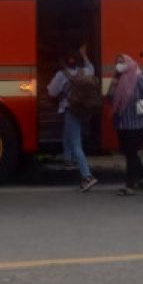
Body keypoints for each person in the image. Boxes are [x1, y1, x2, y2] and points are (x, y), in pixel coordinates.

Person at [106, 53, 143, 196]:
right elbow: (110, 99)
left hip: (137, 123)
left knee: (130, 152)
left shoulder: (139, 78)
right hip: (121, 123)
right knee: (128, 152)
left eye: (122, 62)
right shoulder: (118, 79)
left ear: (129, 63)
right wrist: (114, 82)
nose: (119, 65)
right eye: (117, 62)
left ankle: (129, 185)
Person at [47, 45, 98, 192]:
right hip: (84, 111)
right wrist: (84, 54)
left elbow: (52, 92)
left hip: (70, 109)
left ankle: (87, 176)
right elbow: (91, 67)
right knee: (68, 133)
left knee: (76, 144)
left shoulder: (62, 75)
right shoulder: (85, 72)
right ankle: (68, 159)